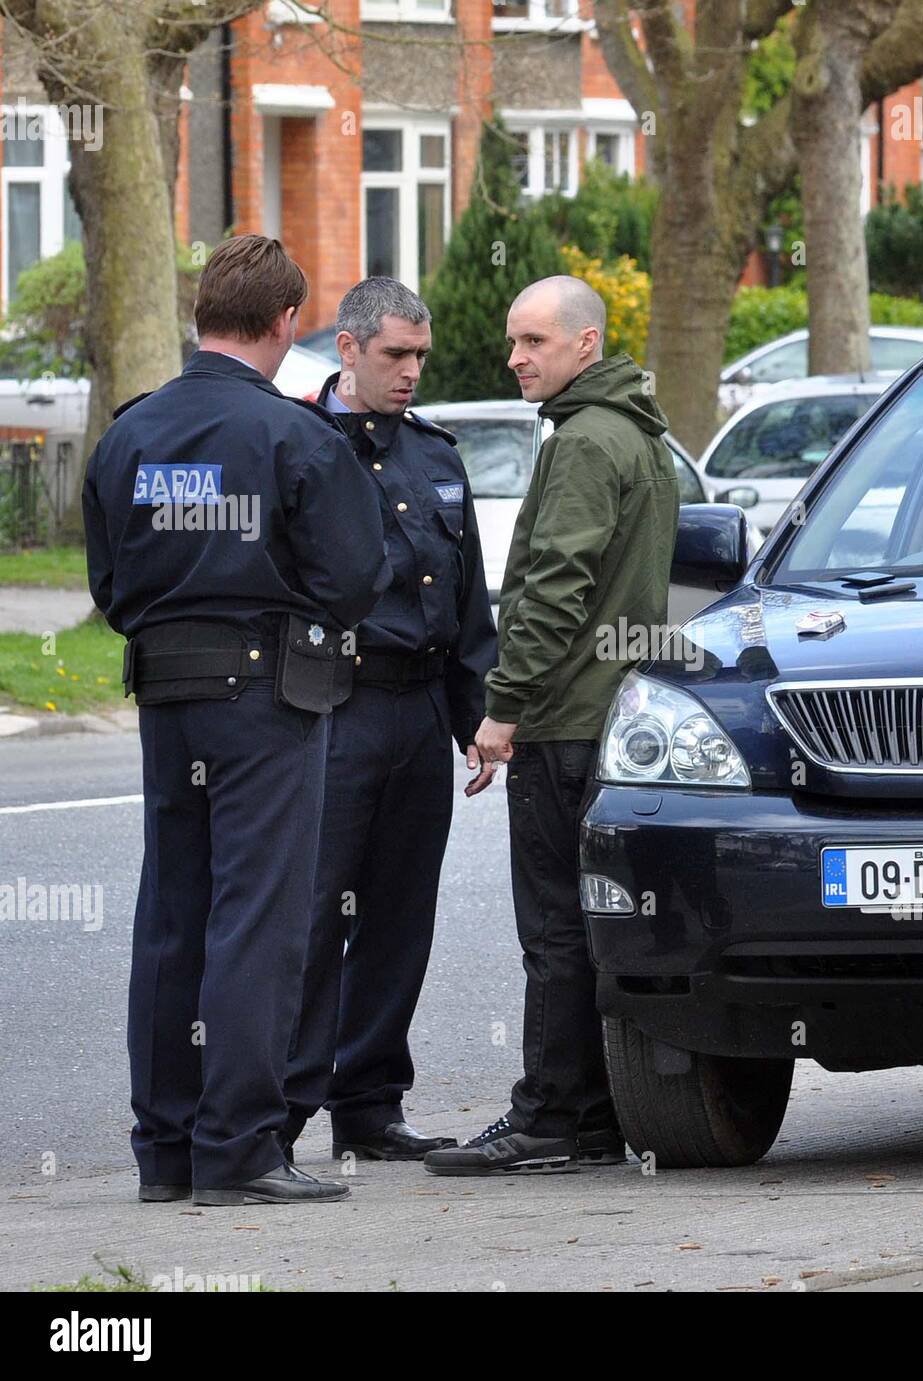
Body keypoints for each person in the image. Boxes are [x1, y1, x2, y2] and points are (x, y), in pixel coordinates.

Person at [82, 235, 390, 1206]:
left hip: (165, 693)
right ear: (286, 321)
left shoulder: (130, 433)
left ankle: (165, 1149)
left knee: (172, 919)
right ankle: (241, 1147)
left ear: (204, 313)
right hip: (265, 699)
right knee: (257, 921)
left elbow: (109, 582)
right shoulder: (293, 436)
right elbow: (353, 577)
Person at [424, 275, 678, 1177]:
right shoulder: (640, 435)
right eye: (513, 340)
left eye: (534, 340)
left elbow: (553, 588)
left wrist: (503, 709)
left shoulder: (583, 441)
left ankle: (548, 1118)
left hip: (565, 719)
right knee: (597, 919)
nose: (516, 357)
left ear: (586, 343)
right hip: (613, 715)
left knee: (556, 927)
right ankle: (599, 1112)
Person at [281, 277, 496, 1162]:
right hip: (334, 705)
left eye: (420, 357)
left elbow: (469, 600)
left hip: (417, 705)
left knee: (401, 916)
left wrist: (480, 717)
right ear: (349, 348)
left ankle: (369, 1105)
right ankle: (280, 1114)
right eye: (395, 356)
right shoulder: (298, 444)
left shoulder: (436, 455)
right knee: (312, 914)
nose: (411, 373)